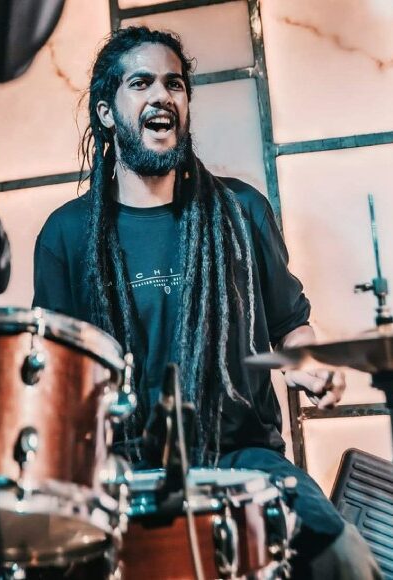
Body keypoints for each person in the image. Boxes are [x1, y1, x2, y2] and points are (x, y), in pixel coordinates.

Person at [33, 26, 381, 579]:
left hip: (242, 456)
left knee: (344, 557)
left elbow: (291, 325)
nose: (162, 95)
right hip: (122, 469)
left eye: (174, 84)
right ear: (106, 113)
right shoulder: (67, 235)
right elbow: (57, 376)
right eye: (141, 83)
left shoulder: (242, 211)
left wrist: (307, 364)